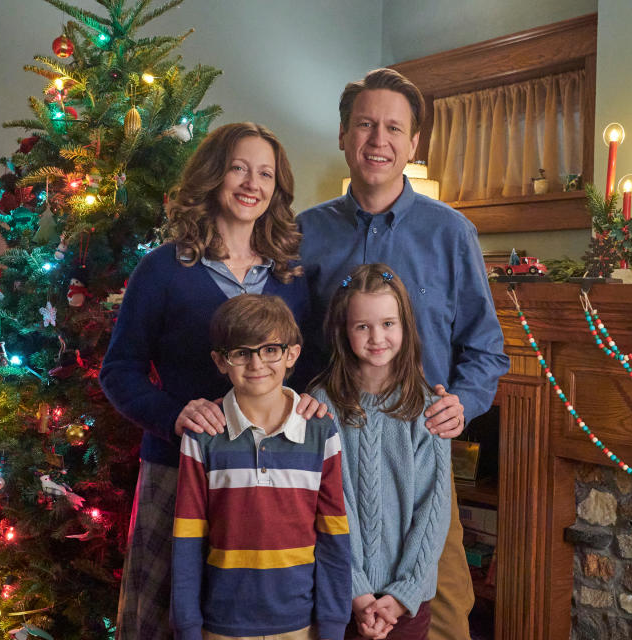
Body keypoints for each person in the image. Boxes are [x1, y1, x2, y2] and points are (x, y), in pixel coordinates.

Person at [297, 68, 510, 640]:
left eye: (394, 128)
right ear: (343, 135)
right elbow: (283, 345)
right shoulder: (302, 235)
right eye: (365, 124)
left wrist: (460, 403)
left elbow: (487, 349)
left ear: (414, 144)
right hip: (326, 473)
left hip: (420, 475)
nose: (378, 140)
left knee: (442, 618)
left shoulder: (451, 233)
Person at [100, 122, 323, 640]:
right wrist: (171, 417)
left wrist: (311, 402)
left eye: (265, 173)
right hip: (178, 471)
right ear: (212, 176)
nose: (251, 183)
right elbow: (120, 370)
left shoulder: (290, 277)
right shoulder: (161, 271)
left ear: (277, 189)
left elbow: (309, 366)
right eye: (238, 168)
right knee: (163, 621)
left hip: (270, 475)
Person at [170, 294, 351, 640]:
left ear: (291, 354)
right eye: (241, 352)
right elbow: (187, 540)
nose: (256, 364)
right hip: (221, 625)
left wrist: (331, 625)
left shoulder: (320, 431)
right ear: (221, 361)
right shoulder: (203, 436)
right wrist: (188, 628)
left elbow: (333, 538)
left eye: (270, 350)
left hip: (300, 625)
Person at [313, 264, 450, 640]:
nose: (377, 337)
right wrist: (355, 588)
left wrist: (403, 594)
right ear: (344, 330)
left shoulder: (428, 408)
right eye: (363, 326)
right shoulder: (320, 406)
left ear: (405, 326)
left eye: (388, 323)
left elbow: (433, 510)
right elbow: (324, 505)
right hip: (338, 594)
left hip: (406, 603)